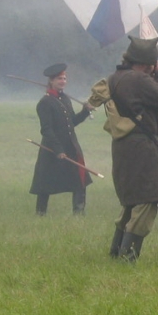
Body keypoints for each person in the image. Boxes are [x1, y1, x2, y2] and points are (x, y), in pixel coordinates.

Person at [103, 36, 158, 262]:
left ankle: (117, 250)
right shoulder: (138, 80)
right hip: (142, 147)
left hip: (125, 146)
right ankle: (128, 256)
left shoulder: (116, 78)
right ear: (147, 64)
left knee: (132, 199)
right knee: (148, 199)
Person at [30, 63, 93, 215]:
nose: (63, 81)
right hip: (52, 147)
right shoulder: (45, 102)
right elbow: (47, 129)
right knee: (44, 183)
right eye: (59, 78)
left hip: (71, 146)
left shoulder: (65, 99)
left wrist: (85, 112)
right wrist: (58, 149)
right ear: (51, 81)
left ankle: (79, 214)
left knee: (80, 178)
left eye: (64, 78)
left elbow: (72, 122)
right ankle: (40, 213)